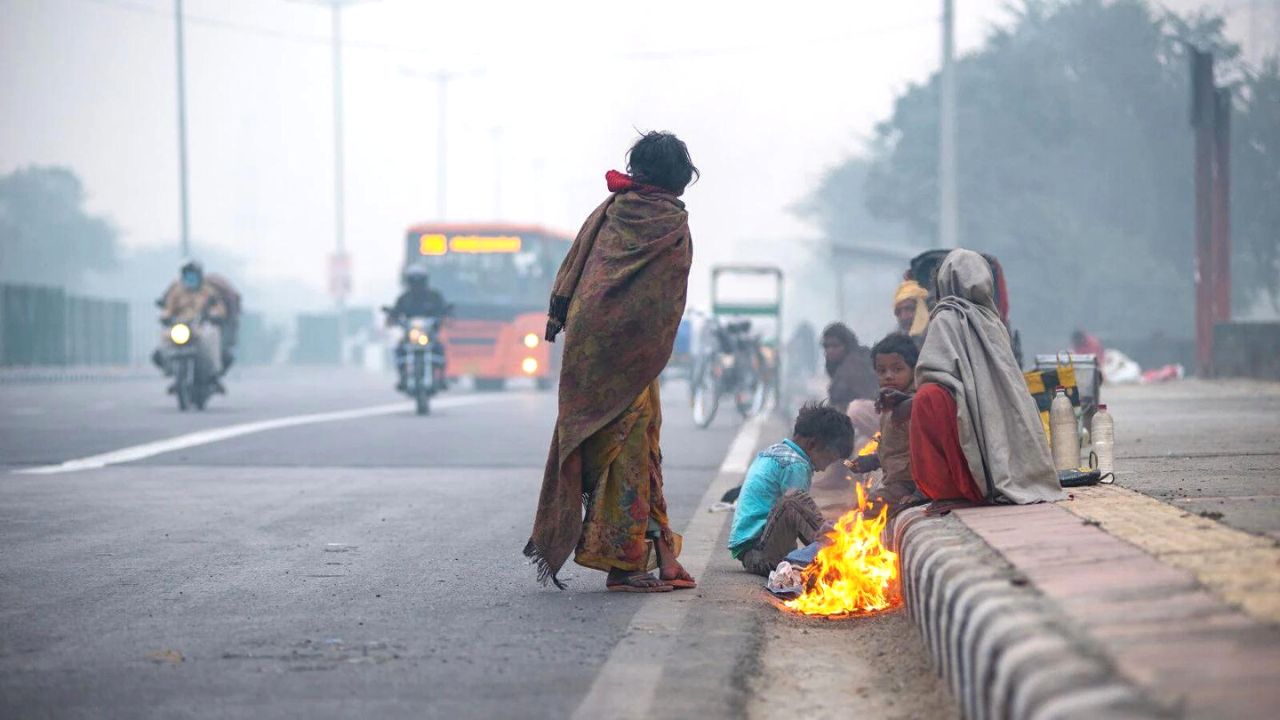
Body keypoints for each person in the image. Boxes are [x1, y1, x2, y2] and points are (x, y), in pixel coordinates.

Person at [525, 131, 699, 593]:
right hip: (632, 352)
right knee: (629, 451)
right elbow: (662, 301)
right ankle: (626, 568)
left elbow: (577, 269)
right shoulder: (670, 222)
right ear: (678, 178)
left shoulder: (610, 212)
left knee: (640, 448)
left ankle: (664, 557)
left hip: (588, 346)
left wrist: (562, 314)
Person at [910, 249, 1063, 504]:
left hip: (962, 430)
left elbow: (931, 373)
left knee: (927, 398)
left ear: (945, 280)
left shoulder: (945, 317)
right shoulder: (994, 321)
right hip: (995, 438)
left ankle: (949, 489)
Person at [729, 402, 854, 576]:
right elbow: (797, 511)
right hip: (761, 554)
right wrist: (823, 539)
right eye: (828, 459)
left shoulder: (776, 451)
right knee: (794, 500)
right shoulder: (796, 465)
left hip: (752, 552)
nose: (824, 468)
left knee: (801, 507)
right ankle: (835, 554)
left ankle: (830, 549)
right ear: (812, 444)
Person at [849, 332, 921, 512]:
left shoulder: (913, 406)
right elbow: (896, 449)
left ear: (913, 369)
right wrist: (872, 461)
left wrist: (921, 493)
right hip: (897, 479)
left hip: (911, 484)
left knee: (869, 508)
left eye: (897, 369)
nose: (889, 376)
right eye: (882, 371)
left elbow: (928, 453)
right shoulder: (888, 405)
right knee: (859, 508)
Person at [154, 260, 227, 387]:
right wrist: (165, 317)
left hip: (201, 325)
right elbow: (168, 308)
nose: (191, 279)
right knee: (164, 340)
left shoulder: (208, 291)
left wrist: (214, 315)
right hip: (180, 325)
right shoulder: (176, 290)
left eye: (193, 276)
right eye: (188, 276)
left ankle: (213, 372)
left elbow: (217, 307)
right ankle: (169, 368)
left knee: (211, 335)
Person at [386, 265, 449, 392]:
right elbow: (395, 313)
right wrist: (392, 318)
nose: (416, 285)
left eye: (419, 281)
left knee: (440, 349)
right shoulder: (404, 298)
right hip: (410, 335)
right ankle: (402, 378)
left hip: (429, 334)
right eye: (414, 281)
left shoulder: (434, 296)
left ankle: (441, 378)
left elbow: (443, 309)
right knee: (399, 350)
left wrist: (444, 316)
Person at [821, 322, 879, 441]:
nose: (830, 350)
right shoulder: (838, 366)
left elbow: (869, 398)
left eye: (835, 346)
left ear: (847, 345)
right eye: (827, 346)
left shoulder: (858, 365)